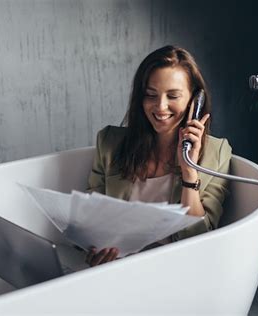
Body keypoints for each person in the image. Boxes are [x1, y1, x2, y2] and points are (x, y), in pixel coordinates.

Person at [85, 45, 232, 266]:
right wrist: (94, 245)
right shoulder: (109, 143)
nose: (160, 107)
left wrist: (189, 171)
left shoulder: (217, 153)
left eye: (173, 96)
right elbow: (89, 215)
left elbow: (199, 241)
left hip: (174, 268)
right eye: (150, 95)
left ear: (195, 101)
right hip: (115, 268)